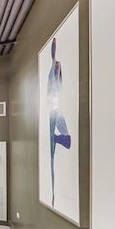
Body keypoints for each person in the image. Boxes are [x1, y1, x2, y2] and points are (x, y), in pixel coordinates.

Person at [47, 38, 71, 207]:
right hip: (53, 111)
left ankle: (58, 139)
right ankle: (58, 139)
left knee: (67, 140)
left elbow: (58, 88)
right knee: (63, 141)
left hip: (55, 111)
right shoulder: (53, 70)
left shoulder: (55, 68)